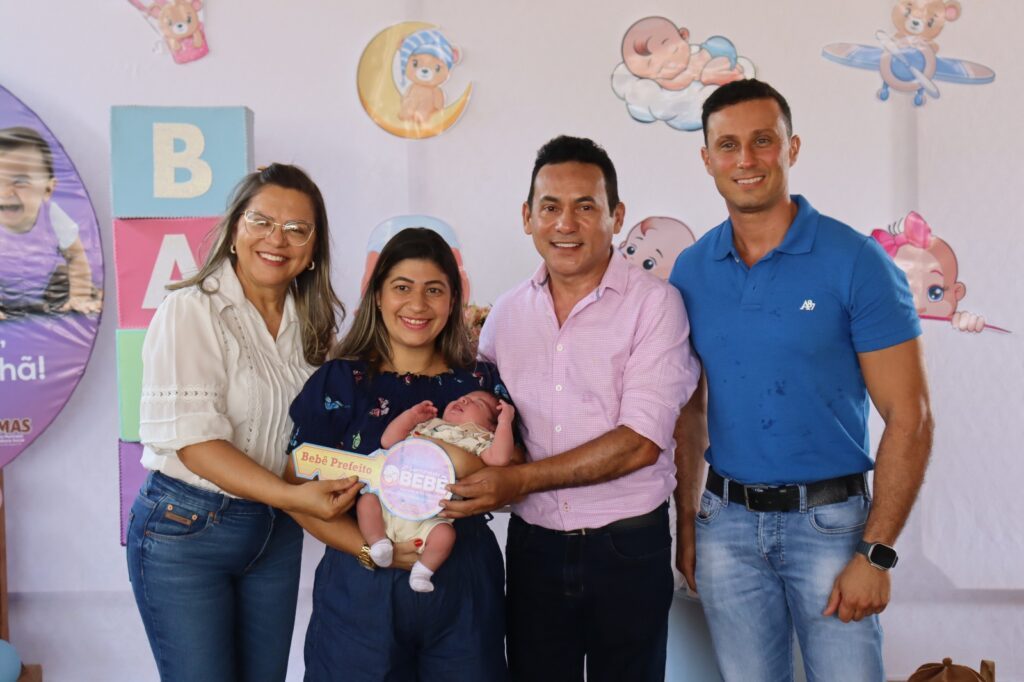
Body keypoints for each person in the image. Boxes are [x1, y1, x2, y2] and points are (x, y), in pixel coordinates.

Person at [669, 79, 934, 682]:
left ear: (791, 147)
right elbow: (690, 408)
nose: (746, 159)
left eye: (763, 141)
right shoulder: (692, 269)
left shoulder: (856, 261)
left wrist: (876, 553)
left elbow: (910, 416)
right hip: (725, 527)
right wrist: (689, 525)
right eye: (728, 145)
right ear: (707, 159)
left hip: (832, 528)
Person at [443, 135, 701, 681]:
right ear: (527, 217)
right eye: (550, 207)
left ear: (616, 216)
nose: (566, 224)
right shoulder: (506, 314)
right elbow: (482, 423)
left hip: (627, 545)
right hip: (533, 548)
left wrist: (518, 481)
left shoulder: (656, 305)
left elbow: (640, 442)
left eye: (585, 206)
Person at [126, 164, 359, 682]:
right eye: (262, 222)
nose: (277, 239)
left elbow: (329, 427)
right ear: (235, 230)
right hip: (186, 530)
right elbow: (197, 446)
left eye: (297, 229)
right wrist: (295, 497)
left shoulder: (313, 324)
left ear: (314, 249)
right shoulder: (191, 309)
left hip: (276, 531)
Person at [286, 227, 511, 681]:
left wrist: (441, 452)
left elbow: (510, 475)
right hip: (361, 582)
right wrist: (368, 550)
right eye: (402, 287)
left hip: (461, 578)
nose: (417, 304)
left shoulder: (480, 382)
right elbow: (295, 489)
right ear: (377, 296)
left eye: (434, 290)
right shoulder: (340, 381)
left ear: (454, 300)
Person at [359, 391, 516, 592]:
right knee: (367, 501)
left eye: (479, 403)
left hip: (431, 515)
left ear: (491, 428)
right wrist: (411, 417)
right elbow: (388, 441)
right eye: (462, 397)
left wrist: (505, 422)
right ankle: (378, 543)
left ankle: (422, 572)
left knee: (445, 535)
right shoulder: (428, 426)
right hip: (391, 502)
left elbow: (500, 459)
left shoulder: (478, 440)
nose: (464, 399)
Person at [0, 126, 101, 319]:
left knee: (66, 277)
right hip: (3, 290)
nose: (5, 192)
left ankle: (79, 299)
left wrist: (79, 295)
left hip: (42, 286)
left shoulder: (52, 215)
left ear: (48, 189)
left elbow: (75, 255)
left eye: (20, 181)